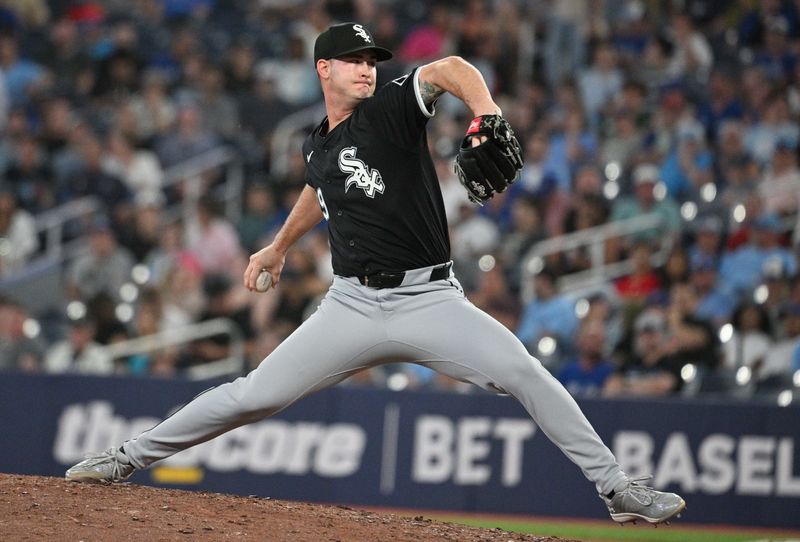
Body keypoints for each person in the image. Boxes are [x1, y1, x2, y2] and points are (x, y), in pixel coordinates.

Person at [65, 22, 684, 525]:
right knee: (256, 394)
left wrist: (485, 109)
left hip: (430, 299)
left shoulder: (392, 106)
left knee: (525, 371)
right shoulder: (316, 144)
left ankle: (617, 490)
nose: (367, 68)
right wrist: (277, 247)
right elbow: (319, 188)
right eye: (353, 59)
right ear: (323, 70)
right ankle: (127, 457)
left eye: (372, 59)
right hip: (351, 306)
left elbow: (449, 69)